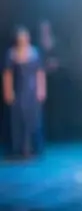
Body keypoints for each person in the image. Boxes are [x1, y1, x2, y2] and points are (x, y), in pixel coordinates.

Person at [2, 28, 45, 158]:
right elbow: (7, 74)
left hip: (32, 90)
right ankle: (18, 148)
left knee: (33, 119)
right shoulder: (11, 54)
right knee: (17, 119)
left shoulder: (34, 53)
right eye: (20, 38)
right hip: (18, 90)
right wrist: (8, 91)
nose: (22, 40)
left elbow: (40, 73)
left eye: (24, 38)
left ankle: (32, 148)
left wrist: (41, 90)